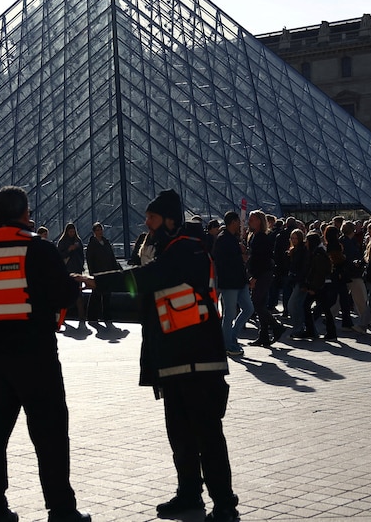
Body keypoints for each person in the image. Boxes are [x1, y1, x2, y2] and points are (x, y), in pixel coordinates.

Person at [85, 189, 239, 522]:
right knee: (181, 434)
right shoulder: (173, 247)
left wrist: (98, 282)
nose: (146, 224)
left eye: (151, 218)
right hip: (175, 357)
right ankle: (189, 494)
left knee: (207, 434)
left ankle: (223, 501)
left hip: (197, 357)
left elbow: (147, 279)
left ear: (169, 220)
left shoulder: (186, 249)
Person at [0, 186, 90, 522]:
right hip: (36, 353)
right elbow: (61, 294)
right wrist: (74, 284)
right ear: (25, 215)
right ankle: (61, 510)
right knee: (51, 433)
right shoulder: (38, 249)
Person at [213, 211, 255, 355]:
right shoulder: (223, 239)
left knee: (248, 309)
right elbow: (222, 262)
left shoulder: (231, 238)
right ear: (233, 222)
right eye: (238, 221)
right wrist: (240, 256)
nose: (240, 224)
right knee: (229, 314)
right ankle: (227, 343)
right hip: (230, 282)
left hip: (239, 280)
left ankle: (232, 336)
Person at [247, 210, 287, 347]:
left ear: (259, 221)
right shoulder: (256, 236)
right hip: (263, 273)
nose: (249, 222)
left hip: (262, 274)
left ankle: (276, 326)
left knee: (257, 303)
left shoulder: (261, 237)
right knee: (260, 304)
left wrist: (255, 277)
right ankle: (263, 335)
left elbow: (261, 259)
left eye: (252, 220)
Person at [84, 222, 121, 324]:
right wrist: (92, 273)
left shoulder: (106, 242)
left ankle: (106, 316)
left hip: (108, 272)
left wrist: (115, 270)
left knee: (106, 296)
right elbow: (90, 259)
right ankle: (92, 316)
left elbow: (112, 257)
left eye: (101, 230)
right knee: (96, 295)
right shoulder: (92, 244)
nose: (100, 232)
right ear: (94, 232)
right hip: (98, 273)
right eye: (97, 230)